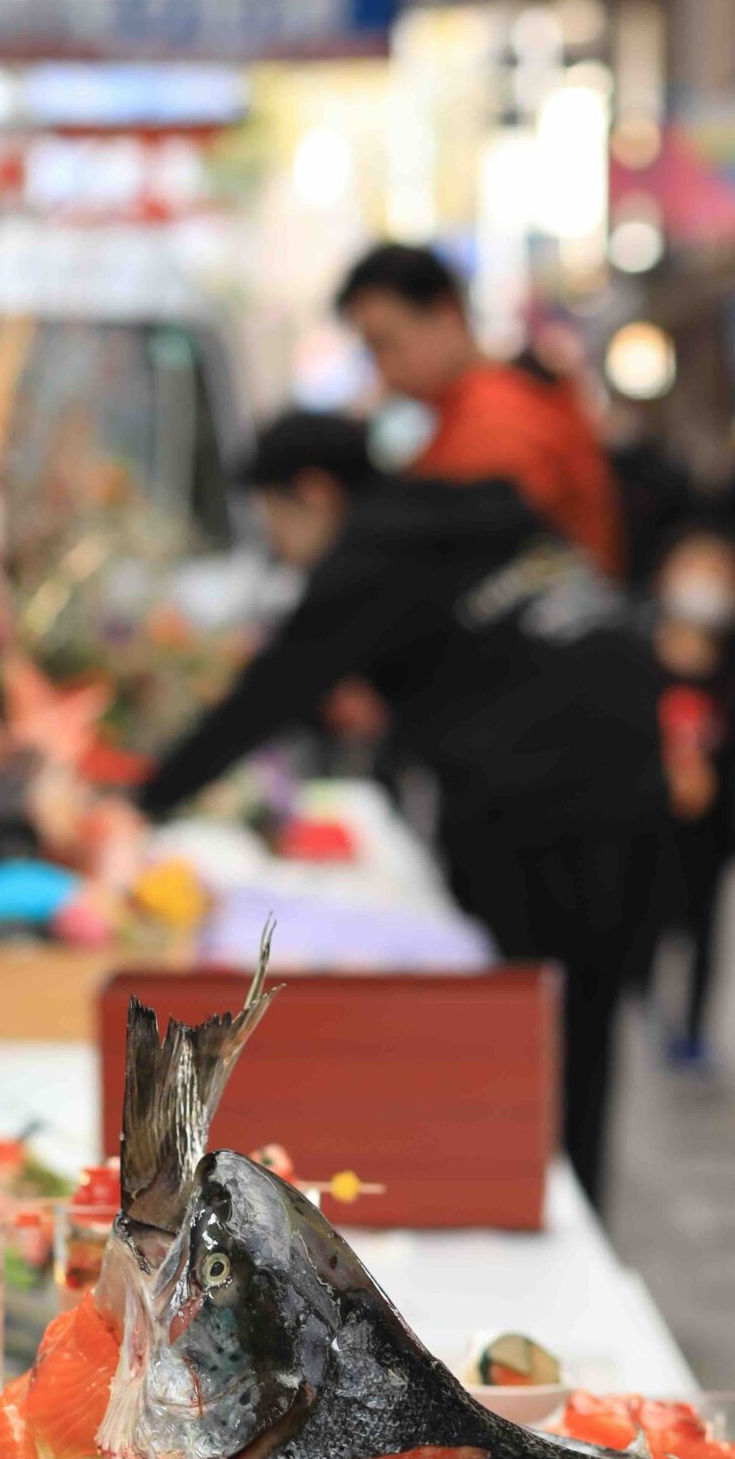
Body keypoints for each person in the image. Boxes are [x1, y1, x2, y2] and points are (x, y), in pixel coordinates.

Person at [137, 411, 670, 1206]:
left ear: (312, 495)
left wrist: (141, 800)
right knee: (582, 1031)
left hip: (532, 801)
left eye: (276, 522)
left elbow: (272, 690)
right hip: (632, 776)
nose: (280, 549)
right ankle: (567, 1201)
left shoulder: (374, 550)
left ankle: (521, 1201)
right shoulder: (464, 517)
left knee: (514, 1024)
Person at [336, 244, 623, 575]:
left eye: (385, 343)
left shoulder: (495, 420)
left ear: (446, 314)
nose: (382, 369)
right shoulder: (487, 400)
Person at [649, 521, 735, 1067]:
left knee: (705, 926)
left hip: (713, 824)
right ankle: (649, 1013)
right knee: (653, 924)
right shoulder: (639, 649)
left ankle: (692, 1029)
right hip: (649, 820)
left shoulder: (730, 665)